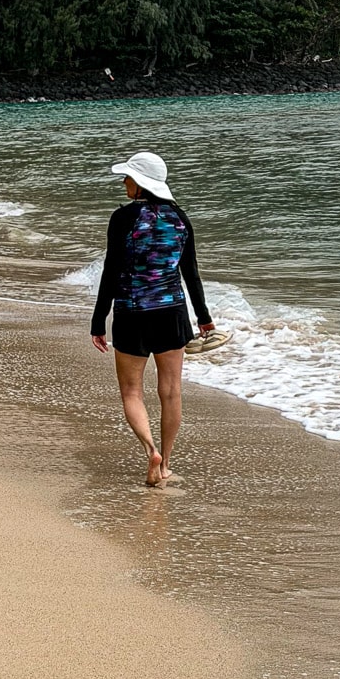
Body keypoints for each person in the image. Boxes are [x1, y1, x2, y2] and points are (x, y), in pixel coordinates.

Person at [90, 150, 215, 486]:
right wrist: (203, 317)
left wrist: (98, 319)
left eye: (128, 178)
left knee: (132, 392)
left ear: (140, 183)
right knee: (171, 392)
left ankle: (150, 451)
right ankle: (166, 465)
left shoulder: (123, 218)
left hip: (131, 312)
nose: (125, 183)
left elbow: (111, 270)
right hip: (173, 313)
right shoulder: (180, 218)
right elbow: (191, 272)